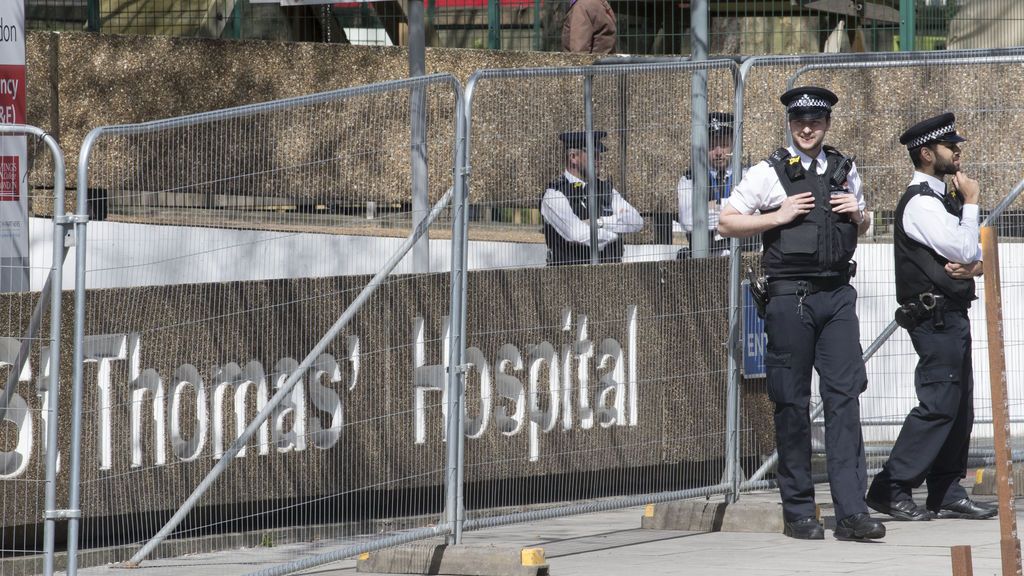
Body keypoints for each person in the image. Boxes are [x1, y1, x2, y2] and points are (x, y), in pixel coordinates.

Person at [717, 86, 882, 541]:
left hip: (837, 295)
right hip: (790, 297)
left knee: (844, 400)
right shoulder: (768, 173)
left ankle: (852, 512)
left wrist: (861, 215)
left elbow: (862, 226)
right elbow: (727, 221)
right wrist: (778, 215)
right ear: (790, 123)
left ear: (827, 123)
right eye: (799, 121)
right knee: (791, 401)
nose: (807, 128)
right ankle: (799, 512)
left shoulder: (846, 171)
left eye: (816, 121)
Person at [865, 113, 996, 522]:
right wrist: (972, 204)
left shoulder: (941, 199)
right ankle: (891, 486)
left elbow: (972, 256)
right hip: (934, 318)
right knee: (939, 404)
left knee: (959, 406)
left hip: (952, 315)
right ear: (926, 154)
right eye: (949, 146)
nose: (957, 151)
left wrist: (975, 265)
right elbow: (962, 250)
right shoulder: (921, 203)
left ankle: (945, 489)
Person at [540, 130, 643, 266]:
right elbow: (577, 234)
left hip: (613, 276)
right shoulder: (554, 194)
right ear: (573, 157)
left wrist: (599, 223)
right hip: (570, 278)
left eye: (599, 156)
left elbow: (636, 221)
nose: (599, 161)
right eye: (593, 156)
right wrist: (614, 234)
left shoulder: (606, 189)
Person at [676, 112, 756, 258]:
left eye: (724, 145)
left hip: (743, 255)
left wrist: (711, 207)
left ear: (733, 146)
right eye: (712, 146)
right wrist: (735, 210)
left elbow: (756, 213)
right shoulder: (689, 179)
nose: (718, 152)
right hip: (705, 258)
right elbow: (688, 222)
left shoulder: (748, 175)